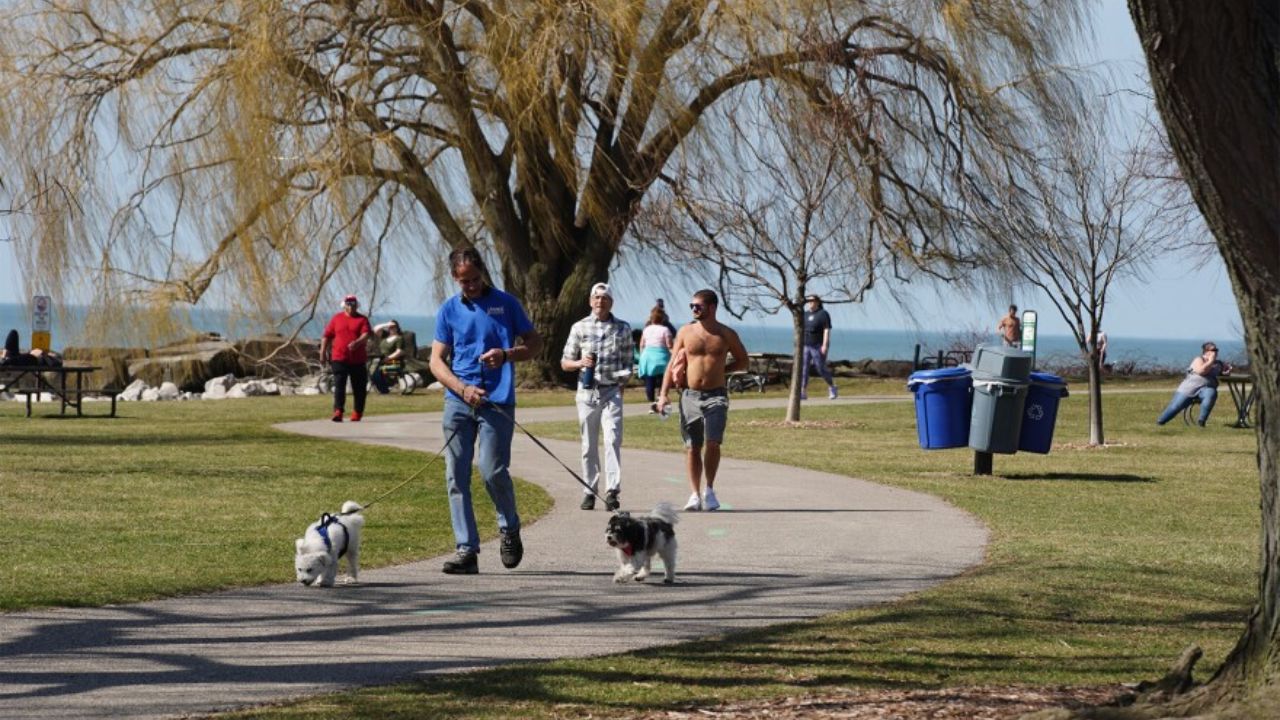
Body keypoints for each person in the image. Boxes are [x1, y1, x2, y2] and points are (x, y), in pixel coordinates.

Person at [429, 247, 542, 574]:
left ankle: (509, 527)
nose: (471, 286)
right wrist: (461, 388)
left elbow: (535, 344)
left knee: (492, 471)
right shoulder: (449, 310)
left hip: (497, 401)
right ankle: (466, 550)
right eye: (464, 281)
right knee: (456, 475)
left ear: (483, 273)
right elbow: (436, 361)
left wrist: (506, 355)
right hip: (458, 401)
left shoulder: (506, 304)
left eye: (475, 279)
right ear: (455, 278)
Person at [656, 289, 749, 512]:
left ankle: (709, 489)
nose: (694, 309)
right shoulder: (685, 332)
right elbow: (671, 364)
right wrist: (663, 394)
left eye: (698, 306)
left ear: (712, 307)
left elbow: (743, 361)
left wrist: (721, 371)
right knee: (692, 446)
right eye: (692, 306)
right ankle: (695, 494)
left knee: (713, 442)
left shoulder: (726, 334)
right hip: (690, 395)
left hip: (716, 395)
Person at [561, 282, 633, 511]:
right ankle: (589, 491)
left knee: (612, 439)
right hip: (588, 390)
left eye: (605, 298)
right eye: (596, 297)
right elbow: (565, 362)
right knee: (588, 443)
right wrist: (580, 363)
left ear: (611, 302)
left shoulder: (622, 328)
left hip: (611, 389)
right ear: (590, 301)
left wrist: (621, 381)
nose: (600, 301)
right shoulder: (579, 327)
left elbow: (628, 363)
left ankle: (612, 491)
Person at [320, 295, 373, 422]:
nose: (351, 307)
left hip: (357, 360)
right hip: (339, 357)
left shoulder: (362, 319)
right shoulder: (336, 318)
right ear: (344, 305)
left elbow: (366, 334)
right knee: (339, 385)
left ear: (357, 305)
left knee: (359, 387)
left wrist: (357, 342)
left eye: (353, 304)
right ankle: (338, 411)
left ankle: (357, 412)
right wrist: (322, 352)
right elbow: (327, 335)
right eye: (348, 304)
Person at [1157, 342, 1229, 426]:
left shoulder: (1218, 363)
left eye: (1217, 350)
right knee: (1176, 406)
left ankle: (1201, 421)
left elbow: (1221, 373)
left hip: (1206, 388)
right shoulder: (1199, 360)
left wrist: (1226, 372)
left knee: (1211, 393)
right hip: (1189, 389)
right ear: (1206, 352)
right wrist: (1210, 361)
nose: (1216, 352)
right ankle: (1161, 421)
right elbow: (1201, 371)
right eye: (1213, 350)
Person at [800, 295, 838, 400]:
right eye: (808, 300)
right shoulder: (805, 314)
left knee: (820, 368)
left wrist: (825, 345)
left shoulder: (823, 314)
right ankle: (803, 391)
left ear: (817, 302)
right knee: (804, 368)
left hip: (817, 345)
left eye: (812, 300)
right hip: (806, 345)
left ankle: (832, 386)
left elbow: (826, 330)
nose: (810, 302)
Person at [637, 305, 674, 411]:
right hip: (662, 358)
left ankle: (652, 403)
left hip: (648, 357)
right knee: (663, 382)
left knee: (650, 382)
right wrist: (674, 356)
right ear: (663, 318)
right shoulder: (665, 330)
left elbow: (642, 345)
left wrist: (642, 357)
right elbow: (669, 346)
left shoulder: (646, 330)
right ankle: (660, 400)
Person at [370, 320, 406, 394]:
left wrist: (388, 358)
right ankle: (384, 390)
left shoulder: (399, 338)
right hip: (382, 361)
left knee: (377, 373)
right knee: (373, 374)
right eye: (390, 327)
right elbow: (375, 329)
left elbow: (399, 352)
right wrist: (386, 324)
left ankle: (384, 391)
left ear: (397, 328)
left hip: (394, 362)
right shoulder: (385, 336)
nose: (391, 328)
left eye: (393, 327)